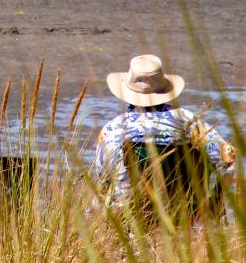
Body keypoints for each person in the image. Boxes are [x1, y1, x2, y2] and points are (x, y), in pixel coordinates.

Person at [93, 54, 235, 206]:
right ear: (165, 89)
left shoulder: (112, 130)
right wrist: (212, 204)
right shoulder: (191, 123)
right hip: (185, 217)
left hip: (130, 220)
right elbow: (229, 161)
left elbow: (102, 181)